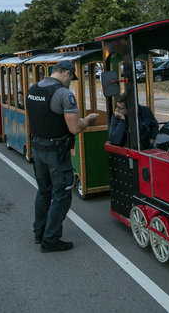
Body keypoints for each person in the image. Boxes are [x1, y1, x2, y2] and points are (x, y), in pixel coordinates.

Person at [26, 60, 98, 253]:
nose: (70, 83)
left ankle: (39, 233)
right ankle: (51, 240)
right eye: (71, 79)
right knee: (62, 196)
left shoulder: (33, 89)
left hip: (38, 148)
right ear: (66, 73)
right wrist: (88, 120)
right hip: (57, 153)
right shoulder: (64, 94)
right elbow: (74, 128)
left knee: (43, 191)